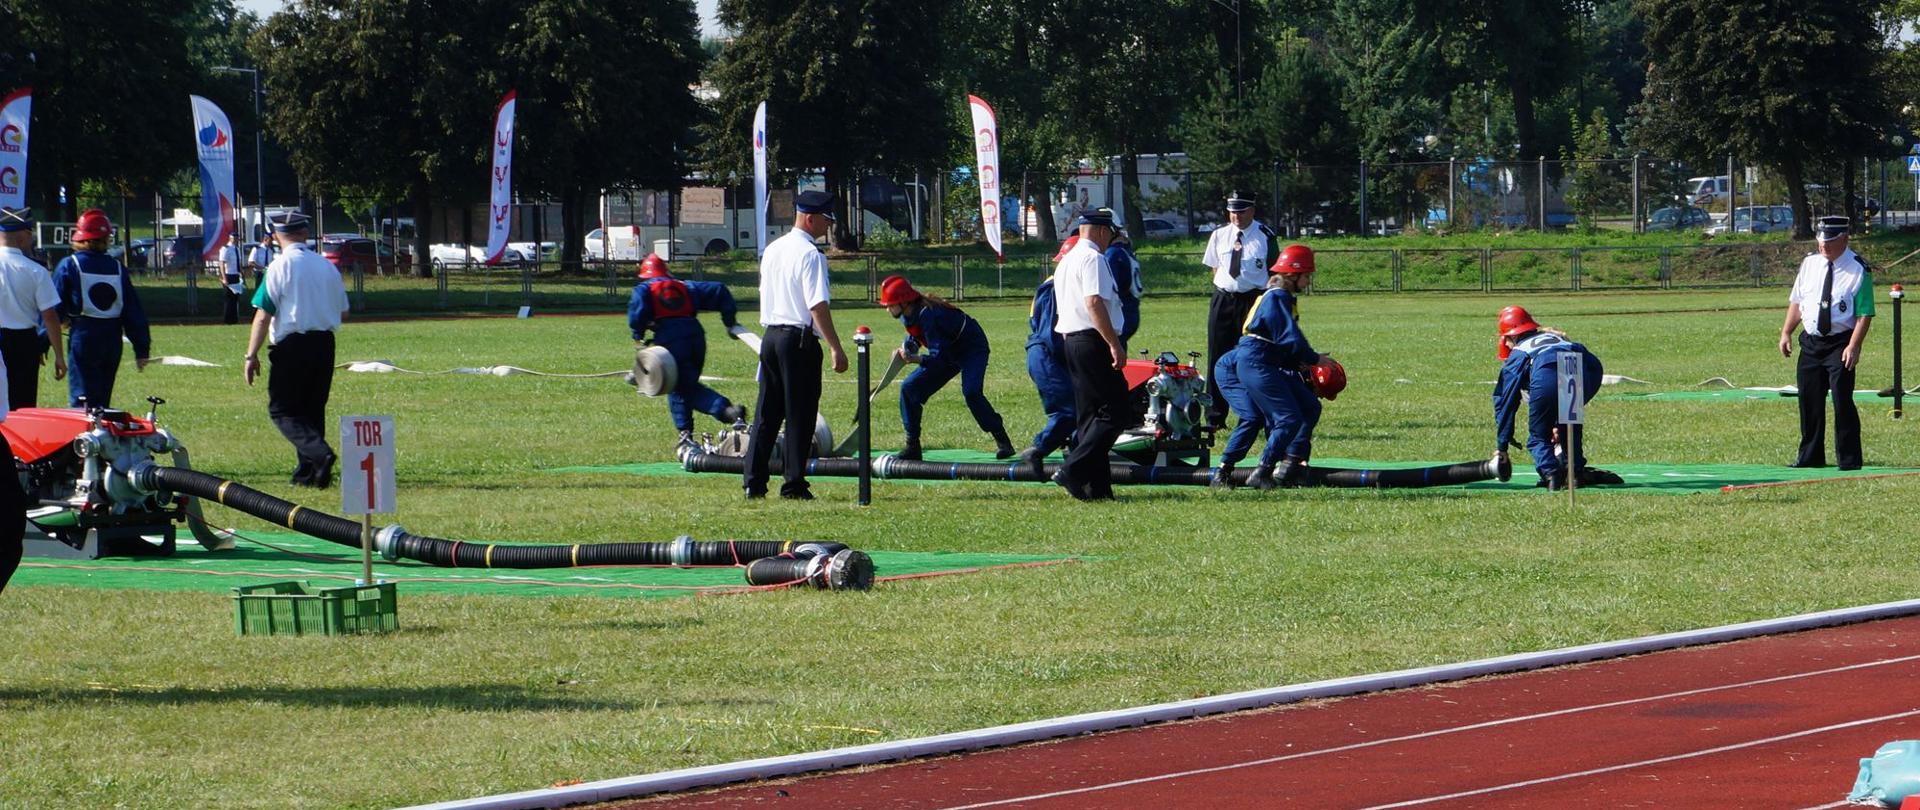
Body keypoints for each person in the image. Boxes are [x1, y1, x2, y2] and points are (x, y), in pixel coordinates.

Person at [743, 190, 847, 500]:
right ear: (810, 218)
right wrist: (835, 347)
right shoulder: (810, 255)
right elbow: (817, 305)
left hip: (771, 336)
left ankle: (753, 481)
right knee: (800, 413)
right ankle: (793, 484)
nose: (828, 227)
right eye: (826, 220)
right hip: (798, 339)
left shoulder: (774, 250)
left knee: (767, 413)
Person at [243, 211, 350, 487]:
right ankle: (311, 473)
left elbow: (263, 314)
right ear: (304, 233)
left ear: (276, 236)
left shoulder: (279, 267)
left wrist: (251, 355)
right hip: (325, 342)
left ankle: (320, 455)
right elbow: (344, 310)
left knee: (283, 411)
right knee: (313, 409)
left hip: (292, 344)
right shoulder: (327, 266)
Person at [1211, 245, 1326, 490]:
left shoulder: (1282, 297)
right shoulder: (1277, 297)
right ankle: (1261, 470)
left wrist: (1301, 363)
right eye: (1306, 276)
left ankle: (1291, 465)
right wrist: (1314, 359)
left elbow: (1281, 344)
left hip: (1265, 360)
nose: (1308, 281)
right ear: (1293, 275)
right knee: (1285, 417)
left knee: (1309, 405)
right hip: (1254, 361)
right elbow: (1289, 337)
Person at [877, 274, 1014, 460]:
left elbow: (939, 358)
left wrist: (915, 359)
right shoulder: (907, 314)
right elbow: (916, 336)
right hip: (946, 351)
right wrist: (906, 349)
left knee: (972, 393)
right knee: (909, 389)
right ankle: (912, 446)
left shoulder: (930, 315)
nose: (887, 309)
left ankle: (1002, 440)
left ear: (904, 302)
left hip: (971, 349)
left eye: (890, 305)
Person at [1780, 215, 1873, 470]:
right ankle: (1810, 456)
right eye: (1821, 240)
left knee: (1842, 400)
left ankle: (1849, 459)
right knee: (1809, 400)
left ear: (1844, 238)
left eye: (1830, 241)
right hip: (1811, 343)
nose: (1824, 246)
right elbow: (1798, 302)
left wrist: (1854, 346)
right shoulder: (1810, 264)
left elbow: (1865, 313)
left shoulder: (1857, 269)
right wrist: (1786, 332)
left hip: (1840, 343)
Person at [628, 254, 746, 448]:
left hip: (670, 339)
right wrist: (729, 322)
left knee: (680, 388)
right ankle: (687, 432)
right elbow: (719, 290)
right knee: (684, 385)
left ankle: (724, 411)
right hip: (696, 337)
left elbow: (637, 314)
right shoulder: (686, 286)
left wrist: (638, 335)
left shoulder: (644, 289)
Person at [1052, 209, 1129, 501]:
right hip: (1092, 339)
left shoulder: (1067, 260)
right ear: (1099, 230)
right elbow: (1094, 303)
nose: (1111, 239)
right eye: (1111, 232)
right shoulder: (1094, 258)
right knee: (1116, 411)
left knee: (1090, 416)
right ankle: (1073, 469)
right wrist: (1113, 343)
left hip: (1071, 340)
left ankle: (1096, 489)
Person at [1492, 305, 1606, 490]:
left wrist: (1503, 443)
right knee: (1569, 430)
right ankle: (1575, 475)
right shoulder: (1557, 338)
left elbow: (1506, 399)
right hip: (1575, 367)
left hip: (1546, 373)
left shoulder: (1520, 351)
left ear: (1512, 335)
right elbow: (1595, 368)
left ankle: (1551, 475)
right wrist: (1580, 399)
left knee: (1538, 436)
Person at [52, 209, 150, 408]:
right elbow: (133, 311)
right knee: (103, 400)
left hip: (84, 336)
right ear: (106, 238)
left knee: (82, 399)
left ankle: (85, 437)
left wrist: (42, 341)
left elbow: (54, 307)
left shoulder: (69, 264)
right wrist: (141, 348)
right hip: (112, 339)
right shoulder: (117, 267)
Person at [1202, 192, 1275, 427]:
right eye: (1233, 211)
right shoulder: (1219, 235)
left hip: (1253, 301)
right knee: (1217, 356)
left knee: (1254, 358)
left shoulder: (1265, 236)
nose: (1236, 216)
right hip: (1224, 299)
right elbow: (1215, 268)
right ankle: (1215, 416)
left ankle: (1259, 415)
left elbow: (1274, 273)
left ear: (1252, 210)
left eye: (1241, 211)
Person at [1018, 236, 1081, 477]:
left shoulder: (1057, 283)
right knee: (1068, 412)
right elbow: (1050, 331)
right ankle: (1037, 449)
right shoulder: (1054, 288)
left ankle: (1077, 461)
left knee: (1081, 410)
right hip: (1047, 353)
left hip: (1051, 352)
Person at [0, 207, 64, 410]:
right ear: (23, 236)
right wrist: (59, 356)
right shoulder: (36, 270)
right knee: (22, 403)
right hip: (24, 342)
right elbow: (49, 316)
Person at [1100, 210, 1144, 350]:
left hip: (1122, 311)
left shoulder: (1113, 254)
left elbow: (1110, 289)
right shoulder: (1125, 250)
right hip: (1131, 309)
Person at [216, 223, 247, 325]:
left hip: (236, 275)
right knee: (228, 299)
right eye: (234, 238)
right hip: (229, 275)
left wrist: (241, 274)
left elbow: (238, 263)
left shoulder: (236, 249)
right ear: (230, 238)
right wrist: (224, 278)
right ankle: (227, 320)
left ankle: (234, 319)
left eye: (237, 238)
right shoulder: (226, 248)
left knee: (235, 298)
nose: (236, 239)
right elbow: (222, 263)